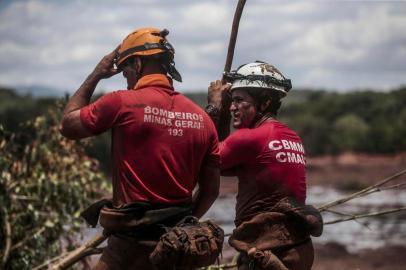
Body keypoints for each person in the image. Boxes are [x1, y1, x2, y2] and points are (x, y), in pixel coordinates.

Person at [59, 27, 220, 270]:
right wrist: (174, 230)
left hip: (127, 251)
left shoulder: (121, 102)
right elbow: (210, 192)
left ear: (137, 63)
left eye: (125, 72)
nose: (127, 78)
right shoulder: (203, 119)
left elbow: (68, 125)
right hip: (175, 252)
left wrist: (97, 74)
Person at [206, 61, 323, 270]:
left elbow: (206, 159)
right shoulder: (292, 137)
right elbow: (223, 164)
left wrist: (215, 109)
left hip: (267, 254)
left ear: (265, 102)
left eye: (239, 100)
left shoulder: (251, 139)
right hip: (299, 249)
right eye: (231, 101)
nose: (233, 107)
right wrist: (224, 116)